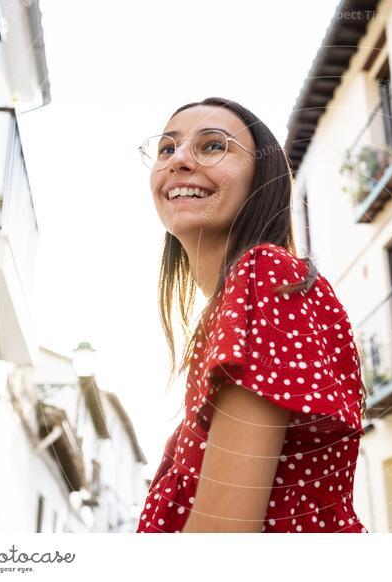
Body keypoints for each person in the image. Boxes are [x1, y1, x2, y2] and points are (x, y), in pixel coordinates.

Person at [135, 97, 369, 533]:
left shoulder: (267, 274)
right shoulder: (229, 309)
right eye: (167, 148)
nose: (180, 159)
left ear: (263, 181)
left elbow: (223, 535)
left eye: (211, 146)